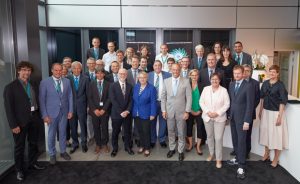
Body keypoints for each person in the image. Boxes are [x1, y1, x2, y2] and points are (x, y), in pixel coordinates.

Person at [3, 61, 45, 181]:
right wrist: (13, 125)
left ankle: (32, 163)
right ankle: (19, 170)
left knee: (33, 143)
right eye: (24, 70)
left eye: (29, 70)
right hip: (20, 122)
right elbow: (9, 108)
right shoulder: (10, 87)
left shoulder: (32, 84)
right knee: (19, 147)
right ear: (18, 71)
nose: (26, 72)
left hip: (34, 118)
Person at [39, 63, 73, 165]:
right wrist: (44, 115)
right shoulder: (45, 82)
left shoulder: (67, 81)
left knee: (63, 133)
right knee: (51, 134)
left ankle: (63, 152)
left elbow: (70, 97)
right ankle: (52, 154)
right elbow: (41, 100)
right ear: (52, 71)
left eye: (60, 70)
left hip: (64, 112)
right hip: (51, 114)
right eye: (56, 70)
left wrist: (70, 110)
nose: (58, 72)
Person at [227, 65, 254, 179]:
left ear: (243, 73)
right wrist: (229, 115)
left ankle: (241, 166)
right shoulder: (231, 84)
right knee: (235, 140)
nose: (237, 75)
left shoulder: (249, 86)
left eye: (239, 73)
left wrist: (247, 121)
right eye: (235, 73)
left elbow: (250, 105)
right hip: (233, 118)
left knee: (242, 142)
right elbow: (232, 101)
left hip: (243, 120)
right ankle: (237, 158)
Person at [258, 65, 288, 168]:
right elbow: (262, 98)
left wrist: (280, 116)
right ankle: (266, 154)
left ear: (278, 74)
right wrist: (261, 111)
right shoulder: (265, 83)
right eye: (270, 72)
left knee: (277, 137)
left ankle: (276, 159)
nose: (271, 74)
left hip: (276, 113)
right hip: (266, 111)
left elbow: (283, 102)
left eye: (274, 72)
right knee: (266, 134)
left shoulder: (281, 85)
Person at [161, 63, 192, 161]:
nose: (175, 71)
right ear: (171, 70)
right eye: (173, 70)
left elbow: (189, 97)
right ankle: (172, 148)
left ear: (180, 70)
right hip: (169, 111)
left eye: (177, 70)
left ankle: (180, 151)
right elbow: (163, 97)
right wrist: (163, 110)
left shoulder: (186, 81)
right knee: (170, 131)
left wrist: (187, 111)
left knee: (181, 132)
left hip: (182, 112)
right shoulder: (166, 81)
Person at [200, 73, 230, 169]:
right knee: (209, 137)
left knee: (218, 139)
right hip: (207, 117)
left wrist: (217, 113)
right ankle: (211, 154)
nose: (214, 81)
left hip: (219, 118)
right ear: (210, 80)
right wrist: (208, 112)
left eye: (216, 79)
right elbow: (201, 102)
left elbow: (227, 104)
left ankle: (218, 159)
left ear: (219, 80)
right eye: (212, 79)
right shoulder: (205, 89)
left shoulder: (224, 90)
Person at [109, 69, 134, 157]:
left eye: (124, 74)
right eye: (121, 74)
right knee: (115, 132)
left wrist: (127, 111)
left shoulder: (130, 86)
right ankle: (115, 148)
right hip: (116, 114)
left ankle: (127, 147)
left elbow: (131, 100)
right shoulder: (113, 86)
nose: (122, 75)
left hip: (127, 114)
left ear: (126, 75)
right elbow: (113, 100)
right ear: (118, 75)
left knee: (127, 131)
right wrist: (121, 112)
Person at [132, 72, 157, 157]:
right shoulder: (136, 87)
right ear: (138, 78)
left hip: (146, 113)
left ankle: (147, 148)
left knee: (146, 131)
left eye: (144, 77)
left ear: (147, 78)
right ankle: (142, 145)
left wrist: (153, 114)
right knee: (140, 131)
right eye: (140, 77)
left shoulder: (152, 88)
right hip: (136, 113)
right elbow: (134, 100)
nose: (142, 79)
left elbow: (153, 102)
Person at [67, 61, 89, 154]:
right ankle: (75, 144)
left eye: (78, 68)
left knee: (83, 126)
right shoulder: (68, 79)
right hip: (71, 108)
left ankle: (84, 143)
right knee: (73, 127)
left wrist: (88, 106)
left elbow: (88, 94)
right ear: (71, 69)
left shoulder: (86, 78)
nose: (76, 70)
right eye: (74, 68)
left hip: (82, 106)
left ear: (81, 69)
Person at [148, 60, 171, 148]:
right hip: (152, 103)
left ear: (161, 67)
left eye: (159, 65)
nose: (157, 67)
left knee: (163, 121)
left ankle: (162, 139)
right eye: (155, 65)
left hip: (163, 102)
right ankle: (152, 140)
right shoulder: (149, 75)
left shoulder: (168, 75)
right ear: (153, 67)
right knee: (152, 122)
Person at [88, 68, 111, 154]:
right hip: (95, 111)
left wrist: (104, 109)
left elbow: (109, 98)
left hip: (104, 111)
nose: (100, 75)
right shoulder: (91, 84)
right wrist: (94, 109)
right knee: (96, 128)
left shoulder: (108, 84)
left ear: (104, 74)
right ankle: (98, 144)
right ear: (96, 74)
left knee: (105, 128)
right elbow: (89, 98)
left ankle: (105, 144)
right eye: (98, 73)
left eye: (101, 73)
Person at [186, 69, 206, 155]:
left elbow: (205, 100)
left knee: (200, 129)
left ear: (198, 76)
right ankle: (190, 144)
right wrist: (189, 110)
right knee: (189, 128)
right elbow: (184, 98)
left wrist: (200, 110)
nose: (194, 77)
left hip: (199, 111)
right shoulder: (187, 85)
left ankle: (198, 146)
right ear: (190, 76)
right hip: (189, 111)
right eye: (192, 75)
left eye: (196, 75)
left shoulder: (202, 86)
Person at [243, 64, 260, 158]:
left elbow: (257, 98)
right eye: (244, 70)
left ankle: (246, 152)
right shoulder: (238, 81)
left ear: (251, 72)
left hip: (249, 113)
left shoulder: (255, 83)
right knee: (238, 133)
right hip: (239, 113)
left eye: (248, 71)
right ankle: (237, 149)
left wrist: (250, 108)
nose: (245, 72)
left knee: (248, 134)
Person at [85, 57, 97, 146]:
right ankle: (91, 137)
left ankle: (98, 136)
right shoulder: (83, 75)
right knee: (89, 121)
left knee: (99, 120)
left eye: (93, 63)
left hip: (99, 101)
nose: (91, 65)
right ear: (87, 65)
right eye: (89, 63)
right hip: (88, 102)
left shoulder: (100, 73)